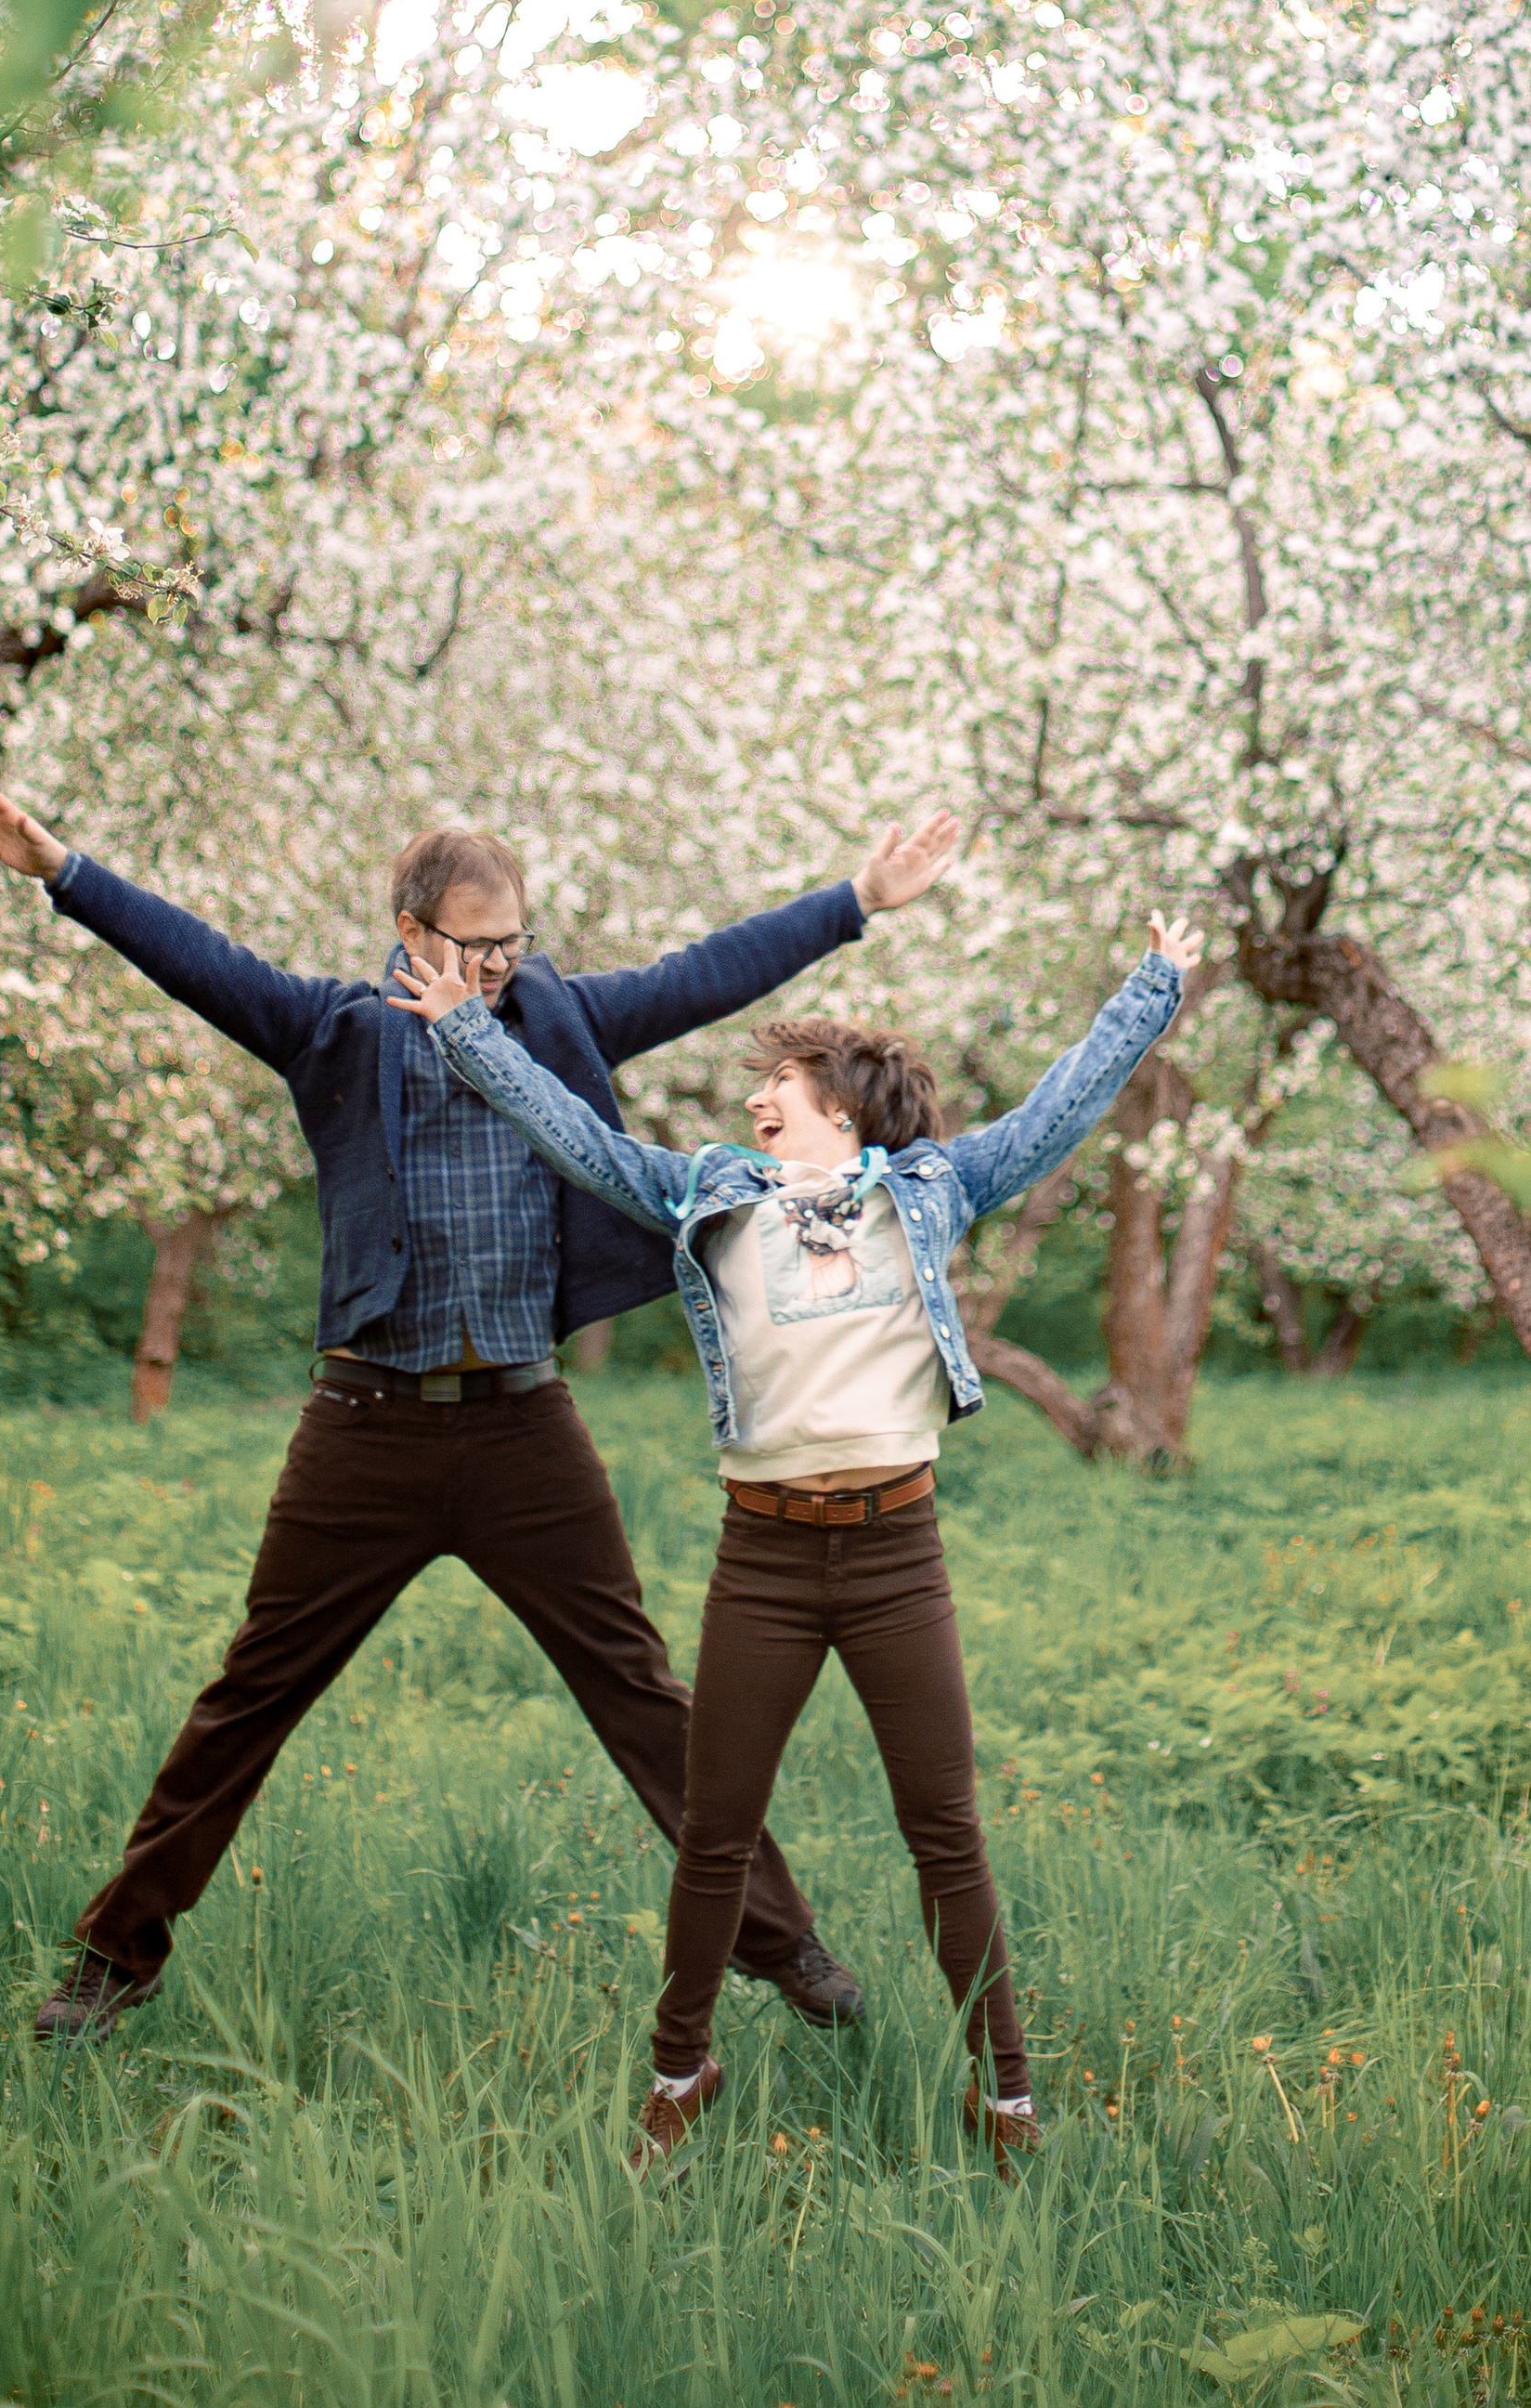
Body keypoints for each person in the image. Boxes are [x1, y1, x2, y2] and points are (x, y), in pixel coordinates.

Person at [0, 772, 962, 2041]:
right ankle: (114, 1955)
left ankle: (782, 1942)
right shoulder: (335, 1030)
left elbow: (711, 971)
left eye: (513, 944)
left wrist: (859, 898)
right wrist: (64, 871)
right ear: (413, 930)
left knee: (641, 1690)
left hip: (523, 1430)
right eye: (475, 945)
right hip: (364, 1427)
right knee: (252, 1693)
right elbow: (196, 960)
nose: (497, 968)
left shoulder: (557, 1019)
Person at [398, 906, 1200, 2177]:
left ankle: (1006, 2094)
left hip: (896, 1558)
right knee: (717, 1827)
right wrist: (467, 1038)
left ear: (844, 1106)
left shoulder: (932, 1192)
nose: (755, 1102)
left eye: (777, 1084)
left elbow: (1058, 1114)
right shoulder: (710, 1193)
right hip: (762, 1561)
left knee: (942, 1828)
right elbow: (576, 1134)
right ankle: (680, 2067)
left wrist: (1153, 985)